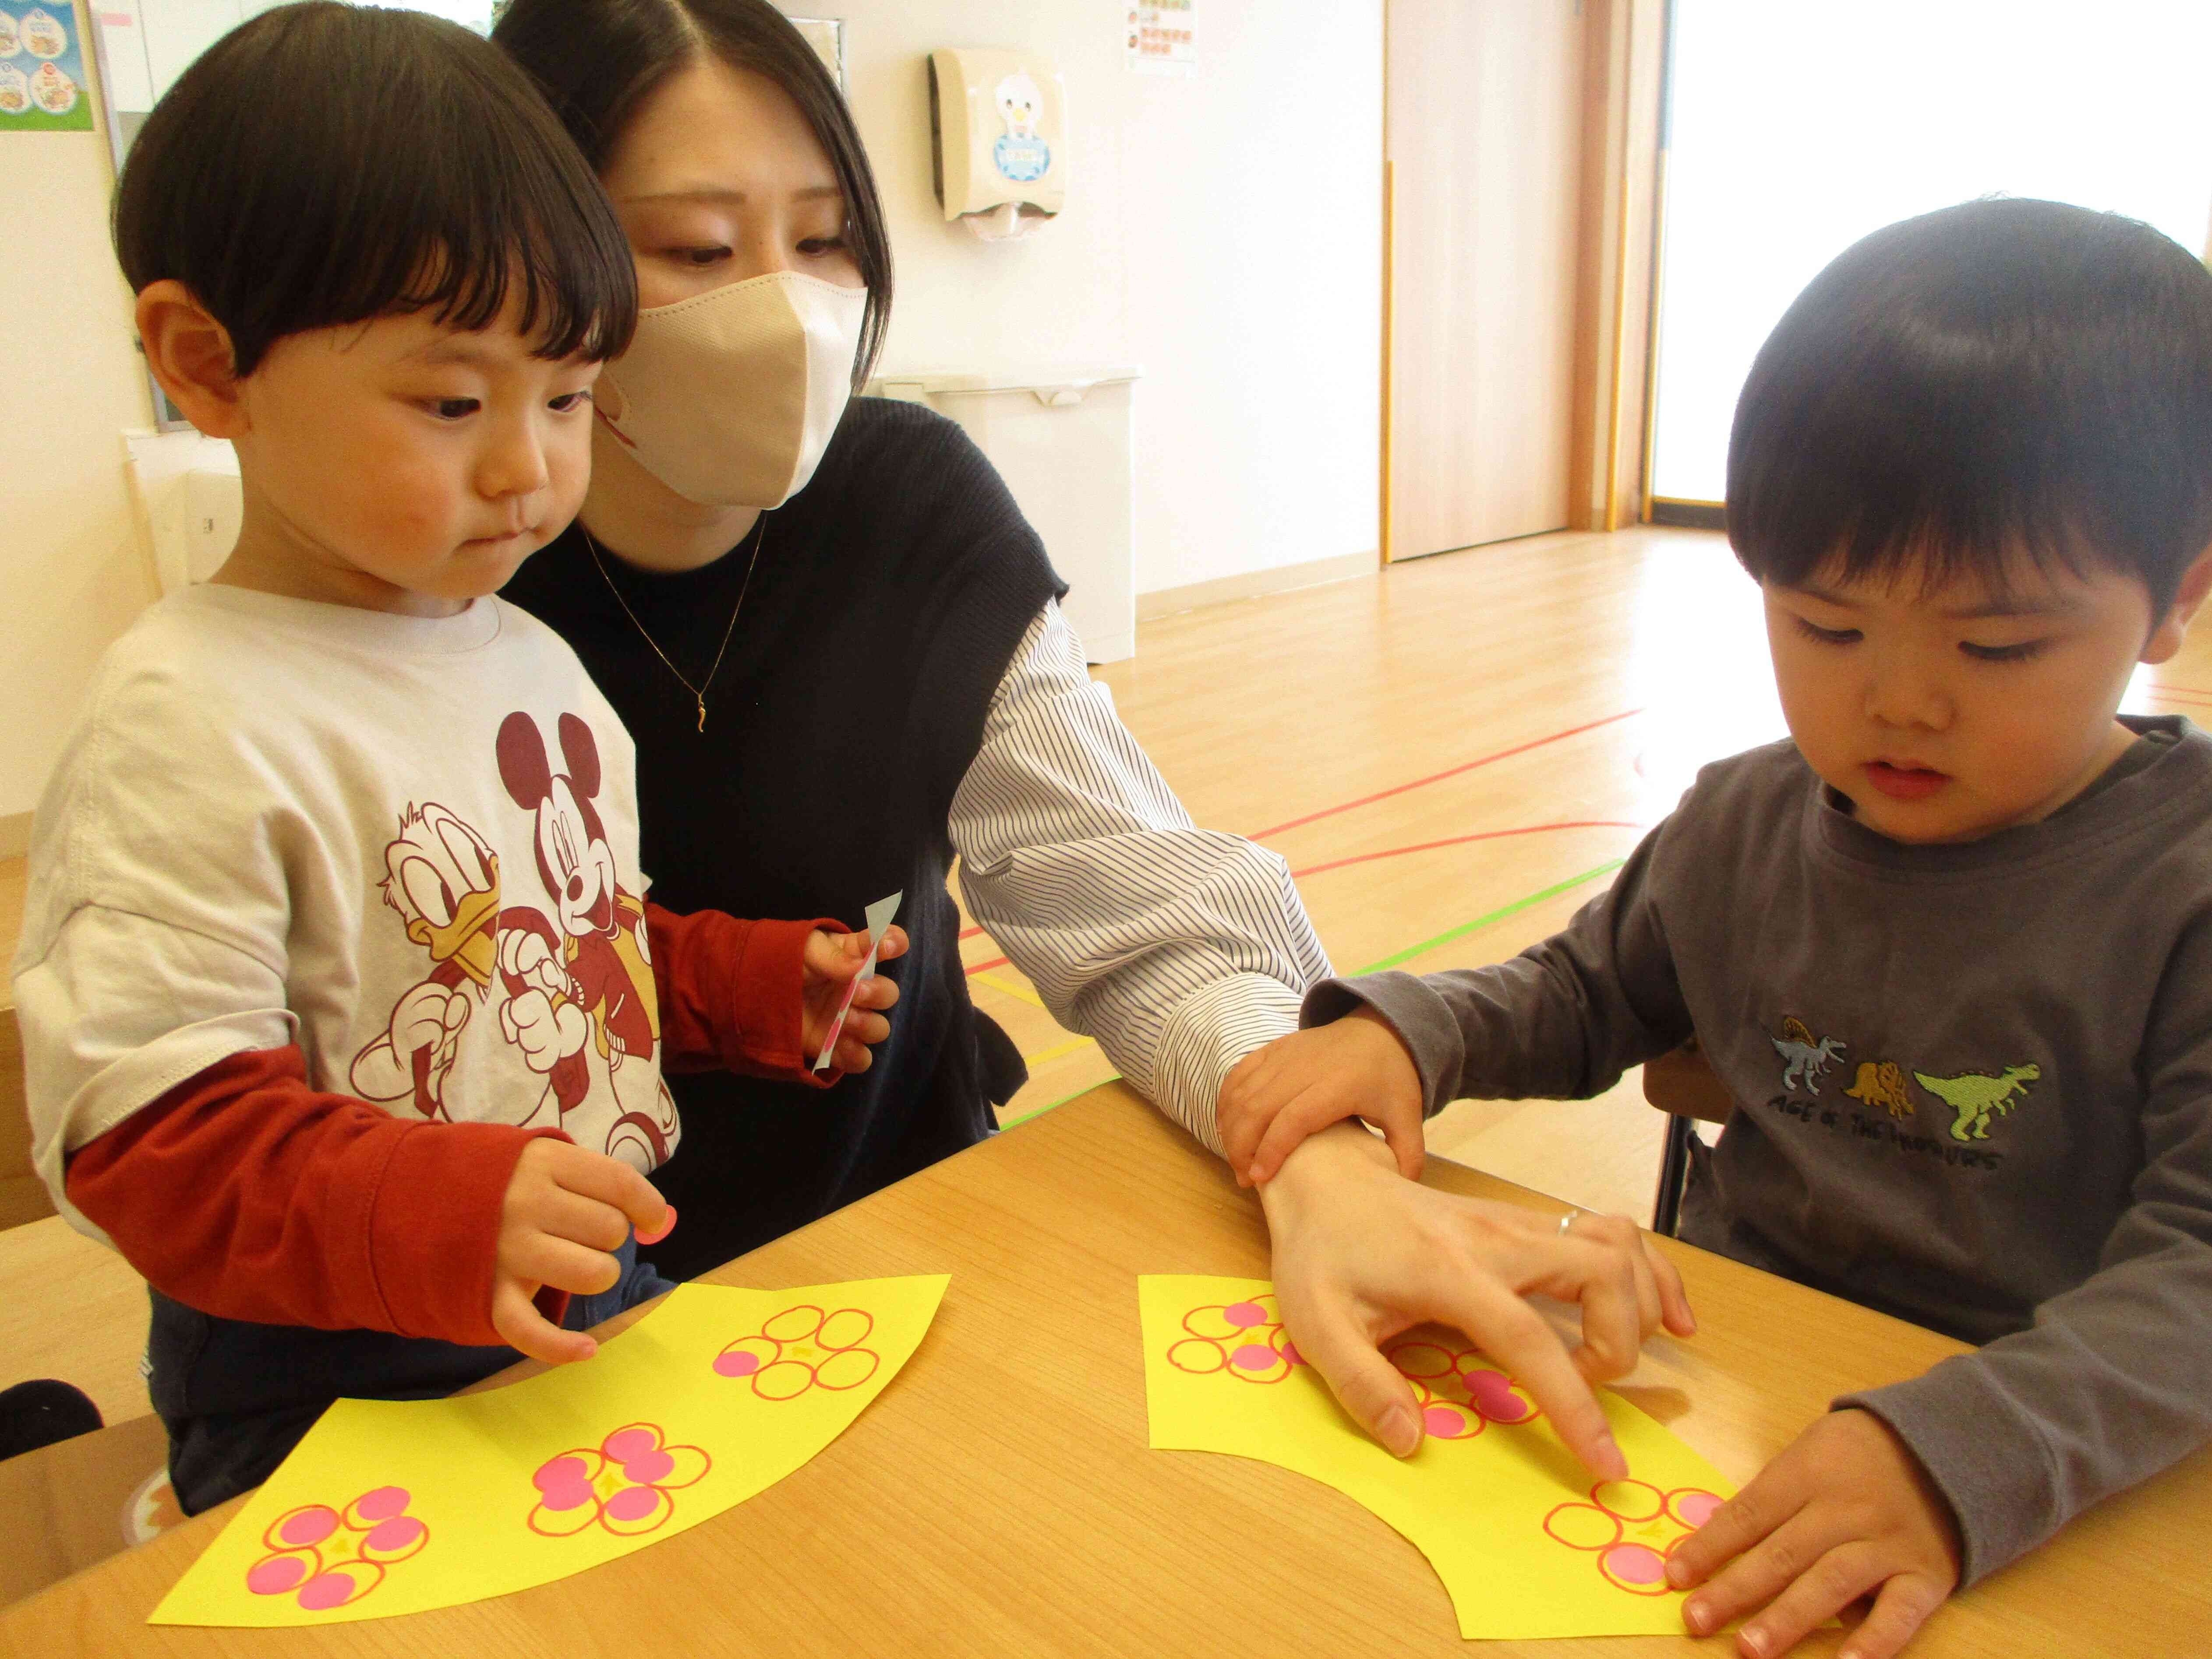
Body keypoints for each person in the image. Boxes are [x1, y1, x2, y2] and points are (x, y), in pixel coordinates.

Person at [490, 0, 1693, 1483]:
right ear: (531, 256)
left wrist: (1312, 1155)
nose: (783, 305)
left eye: (824, 239)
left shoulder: (907, 508)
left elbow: (1138, 909)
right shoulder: (439, 570)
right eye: (693, 249)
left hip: (908, 1241)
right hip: (554, 1338)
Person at [1216, 197, 2212, 1659]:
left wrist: (1963, 1456)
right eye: (1824, 626)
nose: (1900, 702)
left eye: (1997, 645)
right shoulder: (1744, 820)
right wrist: (1405, 1033)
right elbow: (1576, 992)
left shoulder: (2181, 885)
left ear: (2173, 599)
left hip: (2037, 1455)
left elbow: (2194, 1273)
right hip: (1721, 1391)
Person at [12, 3, 903, 1515]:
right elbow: (146, 1135)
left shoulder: (525, 660)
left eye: (565, 397)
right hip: (324, 1383)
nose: (531, 469)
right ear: (205, 362)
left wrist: (742, 985)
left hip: (585, 1296)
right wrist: (443, 1207)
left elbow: (553, 961)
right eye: (450, 402)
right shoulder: (189, 714)